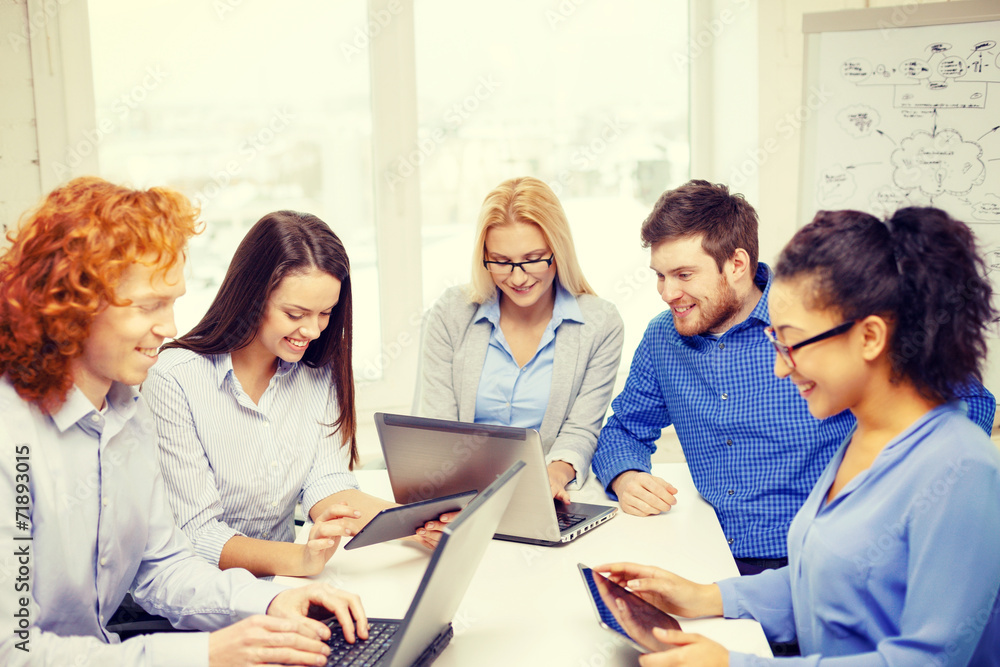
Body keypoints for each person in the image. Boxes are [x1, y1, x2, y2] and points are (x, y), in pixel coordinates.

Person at [598, 206, 1000, 666]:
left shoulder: (958, 468)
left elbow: (930, 661)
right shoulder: (859, 437)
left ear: (869, 338)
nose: (778, 366)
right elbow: (823, 578)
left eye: (792, 343)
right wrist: (704, 596)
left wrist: (736, 664)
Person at [0, 177, 368, 666]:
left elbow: (163, 569)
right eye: (149, 305)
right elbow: (14, 650)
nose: (170, 328)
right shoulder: (12, 441)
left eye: (171, 303)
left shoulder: (127, 413)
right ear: (70, 305)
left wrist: (271, 602)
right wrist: (205, 654)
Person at [144, 211, 435, 579]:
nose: (312, 330)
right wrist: (299, 559)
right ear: (252, 296)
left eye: (326, 312)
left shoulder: (318, 371)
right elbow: (198, 535)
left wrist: (421, 525)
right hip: (204, 595)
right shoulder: (173, 379)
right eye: (295, 313)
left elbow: (327, 487)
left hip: (286, 585)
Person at [414, 176, 624, 501]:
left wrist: (554, 474)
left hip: (542, 495)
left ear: (558, 250)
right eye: (500, 261)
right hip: (459, 494)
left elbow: (581, 429)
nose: (518, 277)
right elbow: (438, 425)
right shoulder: (451, 313)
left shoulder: (600, 323)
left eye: (533, 258)